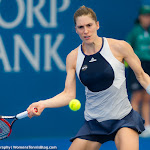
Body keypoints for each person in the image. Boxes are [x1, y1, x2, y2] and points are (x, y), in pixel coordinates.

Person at [27, 6, 150, 150]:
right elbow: (68, 94)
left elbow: (142, 76)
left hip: (123, 119)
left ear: (97, 25)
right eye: (81, 27)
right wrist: (43, 103)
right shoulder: (73, 58)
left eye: (89, 25)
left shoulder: (120, 47)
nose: (85, 31)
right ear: (76, 29)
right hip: (94, 124)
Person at [126, 5, 150, 137]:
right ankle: (134, 126)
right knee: (136, 97)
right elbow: (127, 50)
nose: (148, 19)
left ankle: (147, 126)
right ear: (140, 17)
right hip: (137, 66)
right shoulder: (135, 32)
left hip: (149, 65)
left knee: (147, 96)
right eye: (145, 16)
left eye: (149, 16)